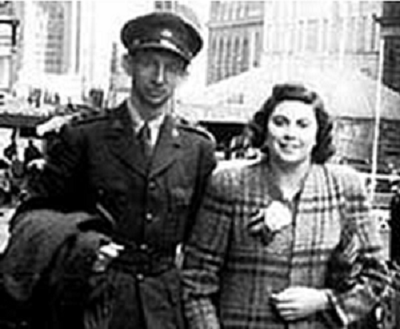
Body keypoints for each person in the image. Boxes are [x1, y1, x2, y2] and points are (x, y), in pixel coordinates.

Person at [0, 11, 216, 329]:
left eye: (171, 69)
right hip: (93, 296)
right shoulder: (85, 136)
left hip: (164, 305)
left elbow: (209, 230)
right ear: (128, 65)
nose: (158, 78)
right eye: (148, 64)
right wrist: (85, 249)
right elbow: (33, 215)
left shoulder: (198, 148)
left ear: (183, 76)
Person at [182, 83, 389, 329]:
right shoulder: (230, 185)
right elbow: (196, 282)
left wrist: (325, 300)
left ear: (317, 136)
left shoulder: (344, 186)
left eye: (303, 125)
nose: (290, 134)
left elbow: (377, 278)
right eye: (280, 122)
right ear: (265, 131)